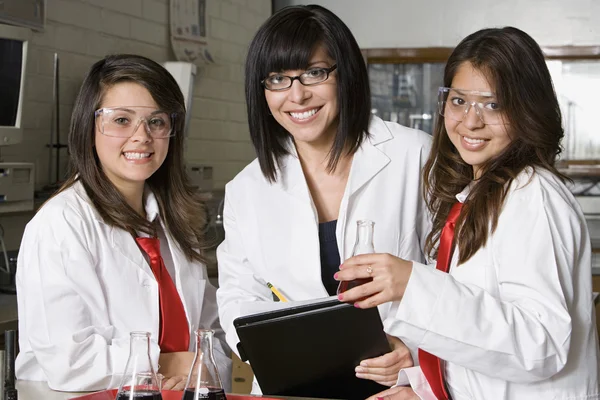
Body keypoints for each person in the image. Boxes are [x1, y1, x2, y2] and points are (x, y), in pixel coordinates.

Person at [336, 27, 600, 400]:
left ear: (527, 108)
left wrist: (413, 283)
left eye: (493, 104)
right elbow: (485, 348)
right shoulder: (480, 194)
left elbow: (540, 346)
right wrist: (423, 391)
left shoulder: (531, 194)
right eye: (459, 101)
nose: (470, 121)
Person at [216, 4, 432, 393]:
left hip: (400, 383)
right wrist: (269, 350)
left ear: (345, 73)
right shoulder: (247, 188)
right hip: (294, 386)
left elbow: (457, 278)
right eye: (278, 79)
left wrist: (416, 353)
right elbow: (238, 294)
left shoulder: (415, 156)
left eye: (314, 73)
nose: (297, 96)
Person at [15, 54, 232, 392]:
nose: (141, 136)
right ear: (89, 129)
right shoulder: (61, 224)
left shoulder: (175, 221)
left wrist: (202, 367)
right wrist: (167, 362)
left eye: (156, 121)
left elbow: (211, 334)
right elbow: (69, 361)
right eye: (121, 120)